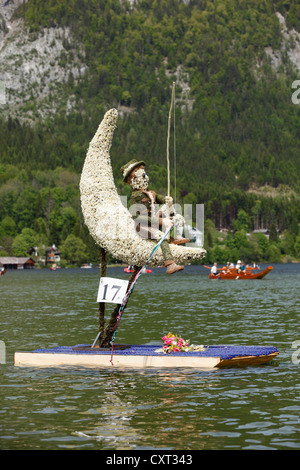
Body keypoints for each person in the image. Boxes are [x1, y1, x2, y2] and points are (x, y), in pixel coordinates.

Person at [121, 159, 188, 275]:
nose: (144, 176)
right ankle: (170, 264)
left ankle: (175, 236)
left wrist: (167, 200)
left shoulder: (150, 193)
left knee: (169, 208)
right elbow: (136, 217)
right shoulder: (135, 197)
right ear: (132, 180)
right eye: (138, 173)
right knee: (160, 235)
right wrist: (162, 221)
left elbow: (158, 198)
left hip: (154, 221)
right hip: (142, 226)